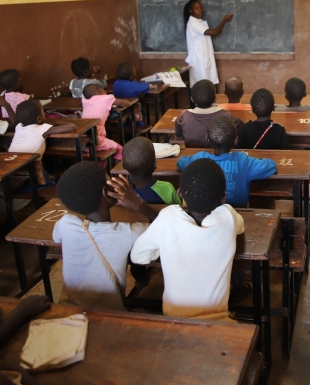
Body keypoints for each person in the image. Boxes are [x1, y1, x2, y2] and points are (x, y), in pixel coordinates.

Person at [130, 158, 244, 321]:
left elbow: (138, 256)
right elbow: (240, 228)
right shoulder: (228, 216)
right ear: (223, 198)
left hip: (174, 319)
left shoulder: (167, 217)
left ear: (180, 193)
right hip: (218, 320)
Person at [53, 161, 149, 310]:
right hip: (110, 314)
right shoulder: (127, 233)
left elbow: (56, 237)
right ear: (106, 192)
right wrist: (137, 203)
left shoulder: (65, 224)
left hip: (68, 310)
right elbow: (164, 226)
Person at [176, 117, 276, 207]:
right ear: (236, 140)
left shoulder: (199, 158)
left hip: (208, 214)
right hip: (238, 214)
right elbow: (271, 166)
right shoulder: (243, 160)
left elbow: (180, 163)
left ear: (207, 138)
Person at [111, 137, 182, 206]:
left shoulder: (122, 193)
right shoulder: (167, 188)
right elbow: (179, 210)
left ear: (123, 166)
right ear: (154, 164)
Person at [174, 79, 242, 148]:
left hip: (193, 156)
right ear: (215, 99)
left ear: (192, 99)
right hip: (218, 155)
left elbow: (178, 133)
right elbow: (240, 126)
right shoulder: (226, 115)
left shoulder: (185, 116)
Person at [183, 0, 232, 86]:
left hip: (204, 59)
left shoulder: (199, 22)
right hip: (199, 62)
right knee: (202, 88)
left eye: (201, 8)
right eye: (196, 8)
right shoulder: (193, 23)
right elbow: (214, 32)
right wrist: (224, 20)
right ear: (191, 11)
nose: (200, 10)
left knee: (208, 87)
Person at [8, 99, 76, 157]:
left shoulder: (18, 126)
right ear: (39, 119)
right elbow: (72, 127)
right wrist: (57, 122)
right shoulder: (42, 129)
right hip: (30, 169)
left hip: (12, 163)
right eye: (43, 112)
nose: (44, 114)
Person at [81, 84, 133, 161]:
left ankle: (102, 169)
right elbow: (127, 103)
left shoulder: (84, 100)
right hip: (96, 140)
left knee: (104, 152)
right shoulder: (106, 98)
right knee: (120, 149)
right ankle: (119, 170)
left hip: (83, 141)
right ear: (99, 90)